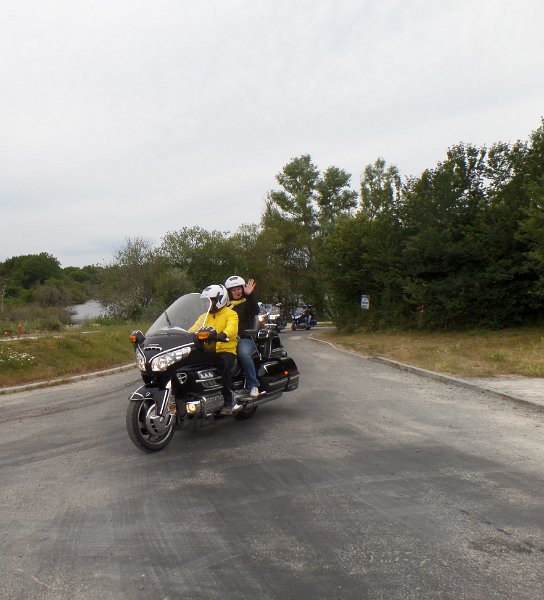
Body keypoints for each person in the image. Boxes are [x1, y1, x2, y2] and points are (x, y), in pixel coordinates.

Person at [189, 284, 241, 414]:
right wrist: (183, 336)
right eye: (205, 301)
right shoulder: (203, 317)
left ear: (220, 299)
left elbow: (232, 328)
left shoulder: (230, 313)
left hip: (226, 350)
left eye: (210, 300)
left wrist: (223, 334)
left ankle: (229, 400)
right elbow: (193, 329)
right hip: (207, 351)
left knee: (222, 365)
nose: (206, 304)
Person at [224, 275, 260, 398]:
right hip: (228, 339)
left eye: (238, 289)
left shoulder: (247, 303)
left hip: (245, 338)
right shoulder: (226, 307)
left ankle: (253, 385)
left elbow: (255, 310)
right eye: (233, 290)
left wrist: (249, 295)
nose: (237, 292)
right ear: (229, 292)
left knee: (243, 353)